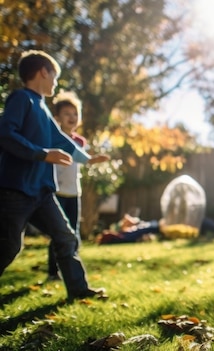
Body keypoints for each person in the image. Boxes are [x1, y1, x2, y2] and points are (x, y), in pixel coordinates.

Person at [0, 50, 105, 301]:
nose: (55, 83)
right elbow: (5, 133)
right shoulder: (21, 98)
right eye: (54, 77)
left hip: (41, 192)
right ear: (43, 72)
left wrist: (87, 159)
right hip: (15, 190)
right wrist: (42, 153)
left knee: (66, 236)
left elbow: (62, 140)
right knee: (9, 246)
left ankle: (79, 290)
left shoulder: (44, 109)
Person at [47, 90, 110, 281]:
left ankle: (70, 269)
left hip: (74, 192)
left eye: (75, 114)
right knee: (59, 232)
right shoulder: (52, 138)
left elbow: (84, 160)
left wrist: (94, 159)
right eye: (67, 114)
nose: (72, 117)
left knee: (72, 231)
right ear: (57, 117)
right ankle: (53, 272)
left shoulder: (80, 142)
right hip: (57, 191)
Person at [95, 211, 214, 244]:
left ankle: (116, 236)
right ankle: (119, 236)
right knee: (146, 227)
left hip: (162, 226)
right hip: (163, 225)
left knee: (146, 227)